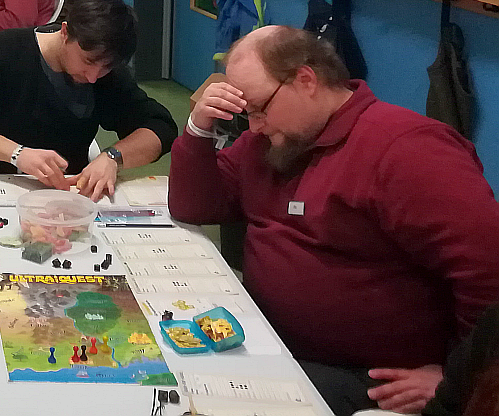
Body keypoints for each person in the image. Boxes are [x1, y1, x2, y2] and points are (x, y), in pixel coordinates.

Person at [169, 26, 499, 416]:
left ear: (305, 80)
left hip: (363, 374)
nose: (254, 125)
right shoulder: (274, 140)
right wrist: (198, 128)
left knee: (190, 402)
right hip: (265, 336)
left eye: (259, 109)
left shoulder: (408, 149)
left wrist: (458, 381)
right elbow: (194, 207)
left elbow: (487, 270)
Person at [0, 0, 176, 200]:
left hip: (60, 199)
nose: (93, 77)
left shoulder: (105, 76)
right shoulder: (6, 51)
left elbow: (160, 126)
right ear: (65, 32)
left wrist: (112, 158)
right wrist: (17, 154)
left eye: (105, 67)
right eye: (87, 61)